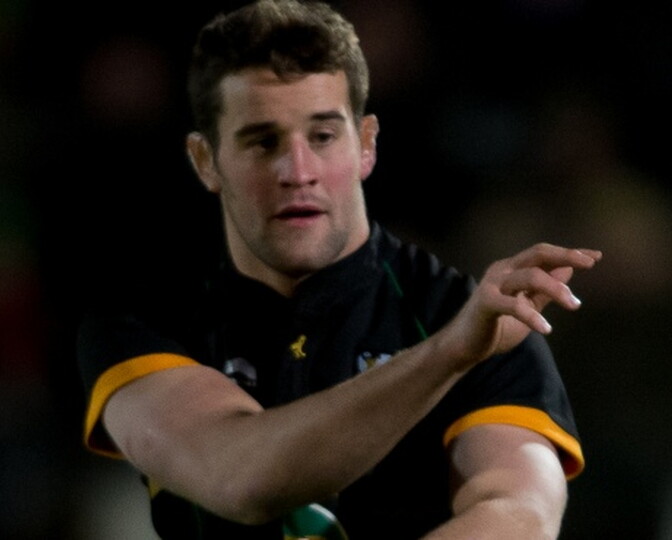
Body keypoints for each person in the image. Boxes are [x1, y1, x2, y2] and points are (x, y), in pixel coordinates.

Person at [75, 1, 601, 538]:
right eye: (263, 141)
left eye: (322, 136)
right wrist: (446, 355)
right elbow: (239, 477)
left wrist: (459, 343)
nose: (297, 171)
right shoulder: (142, 322)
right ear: (205, 160)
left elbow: (518, 514)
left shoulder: (480, 321)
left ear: (366, 144)